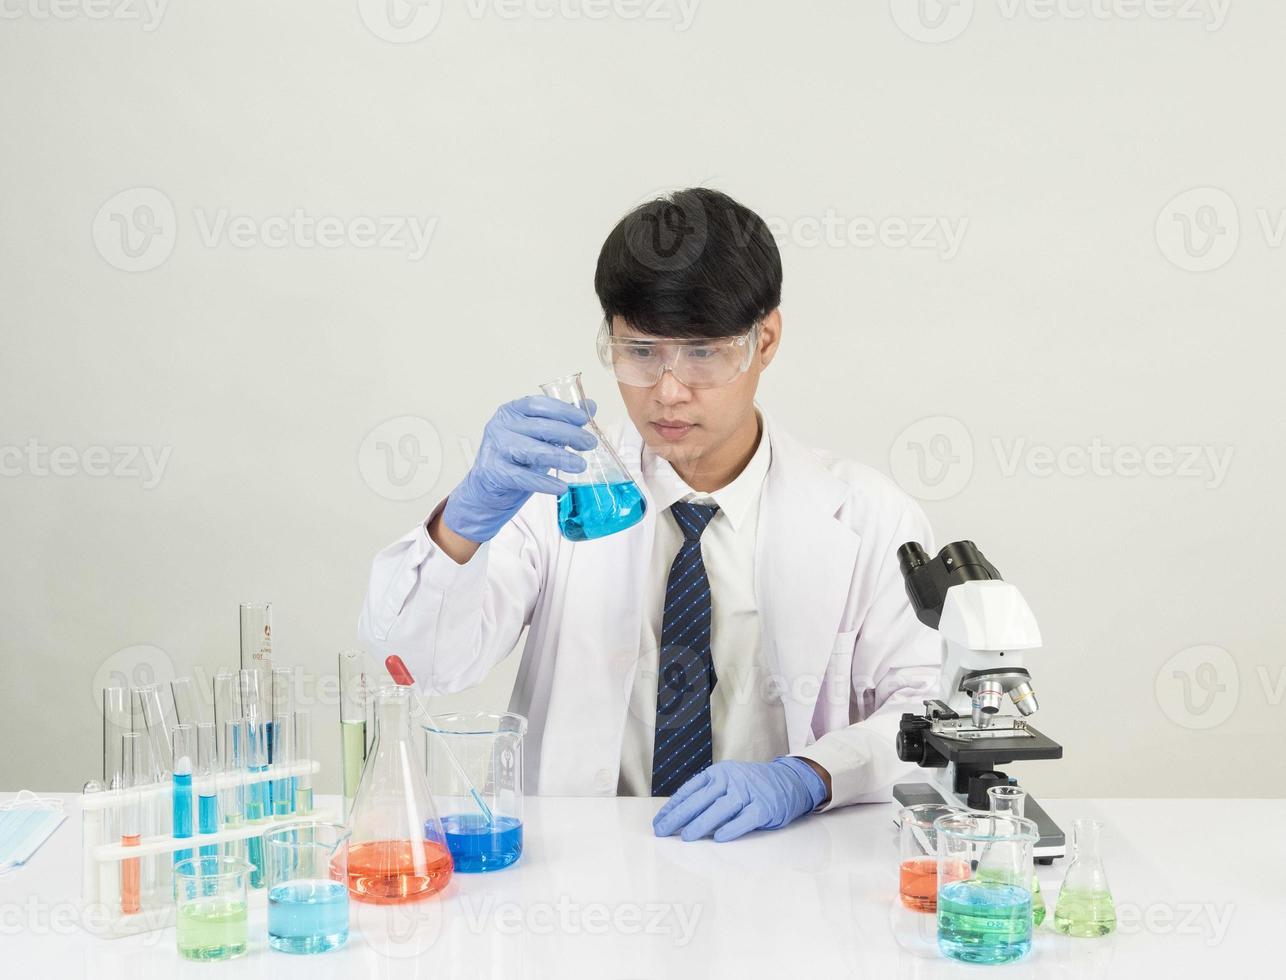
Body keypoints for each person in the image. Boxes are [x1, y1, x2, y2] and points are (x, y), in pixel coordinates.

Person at [358, 188, 940, 842]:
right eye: (640, 352)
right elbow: (420, 668)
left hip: (786, 868)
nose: (667, 391)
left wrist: (809, 774)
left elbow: (930, 715)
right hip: (575, 880)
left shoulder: (870, 518)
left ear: (765, 339)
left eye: (702, 352)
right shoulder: (553, 497)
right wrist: (466, 519)